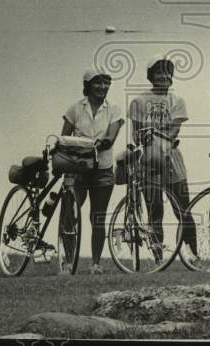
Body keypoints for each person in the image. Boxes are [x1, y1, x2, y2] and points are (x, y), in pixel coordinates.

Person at [128, 58, 198, 260]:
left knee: (183, 207)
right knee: (154, 207)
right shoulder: (139, 101)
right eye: (159, 72)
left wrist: (159, 138)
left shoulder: (177, 100)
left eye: (168, 72)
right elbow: (136, 134)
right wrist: (151, 141)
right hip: (148, 158)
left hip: (172, 156)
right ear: (151, 75)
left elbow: (175, 130)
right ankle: (158, 256)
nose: (164, 76)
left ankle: (193, 254)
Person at [60, 67, 125, 275]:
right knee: (70, 214)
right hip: (77, 169)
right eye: (97, 82)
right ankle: (68, 263)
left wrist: (105, 141)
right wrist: (72, 149)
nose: (102, 87)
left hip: (102, 169)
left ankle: (96, 264)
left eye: (106, 83)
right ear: (87, 86)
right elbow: (63, 138)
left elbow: (112, 135)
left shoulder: (114, 110)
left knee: (97, 217)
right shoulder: (75, 109)